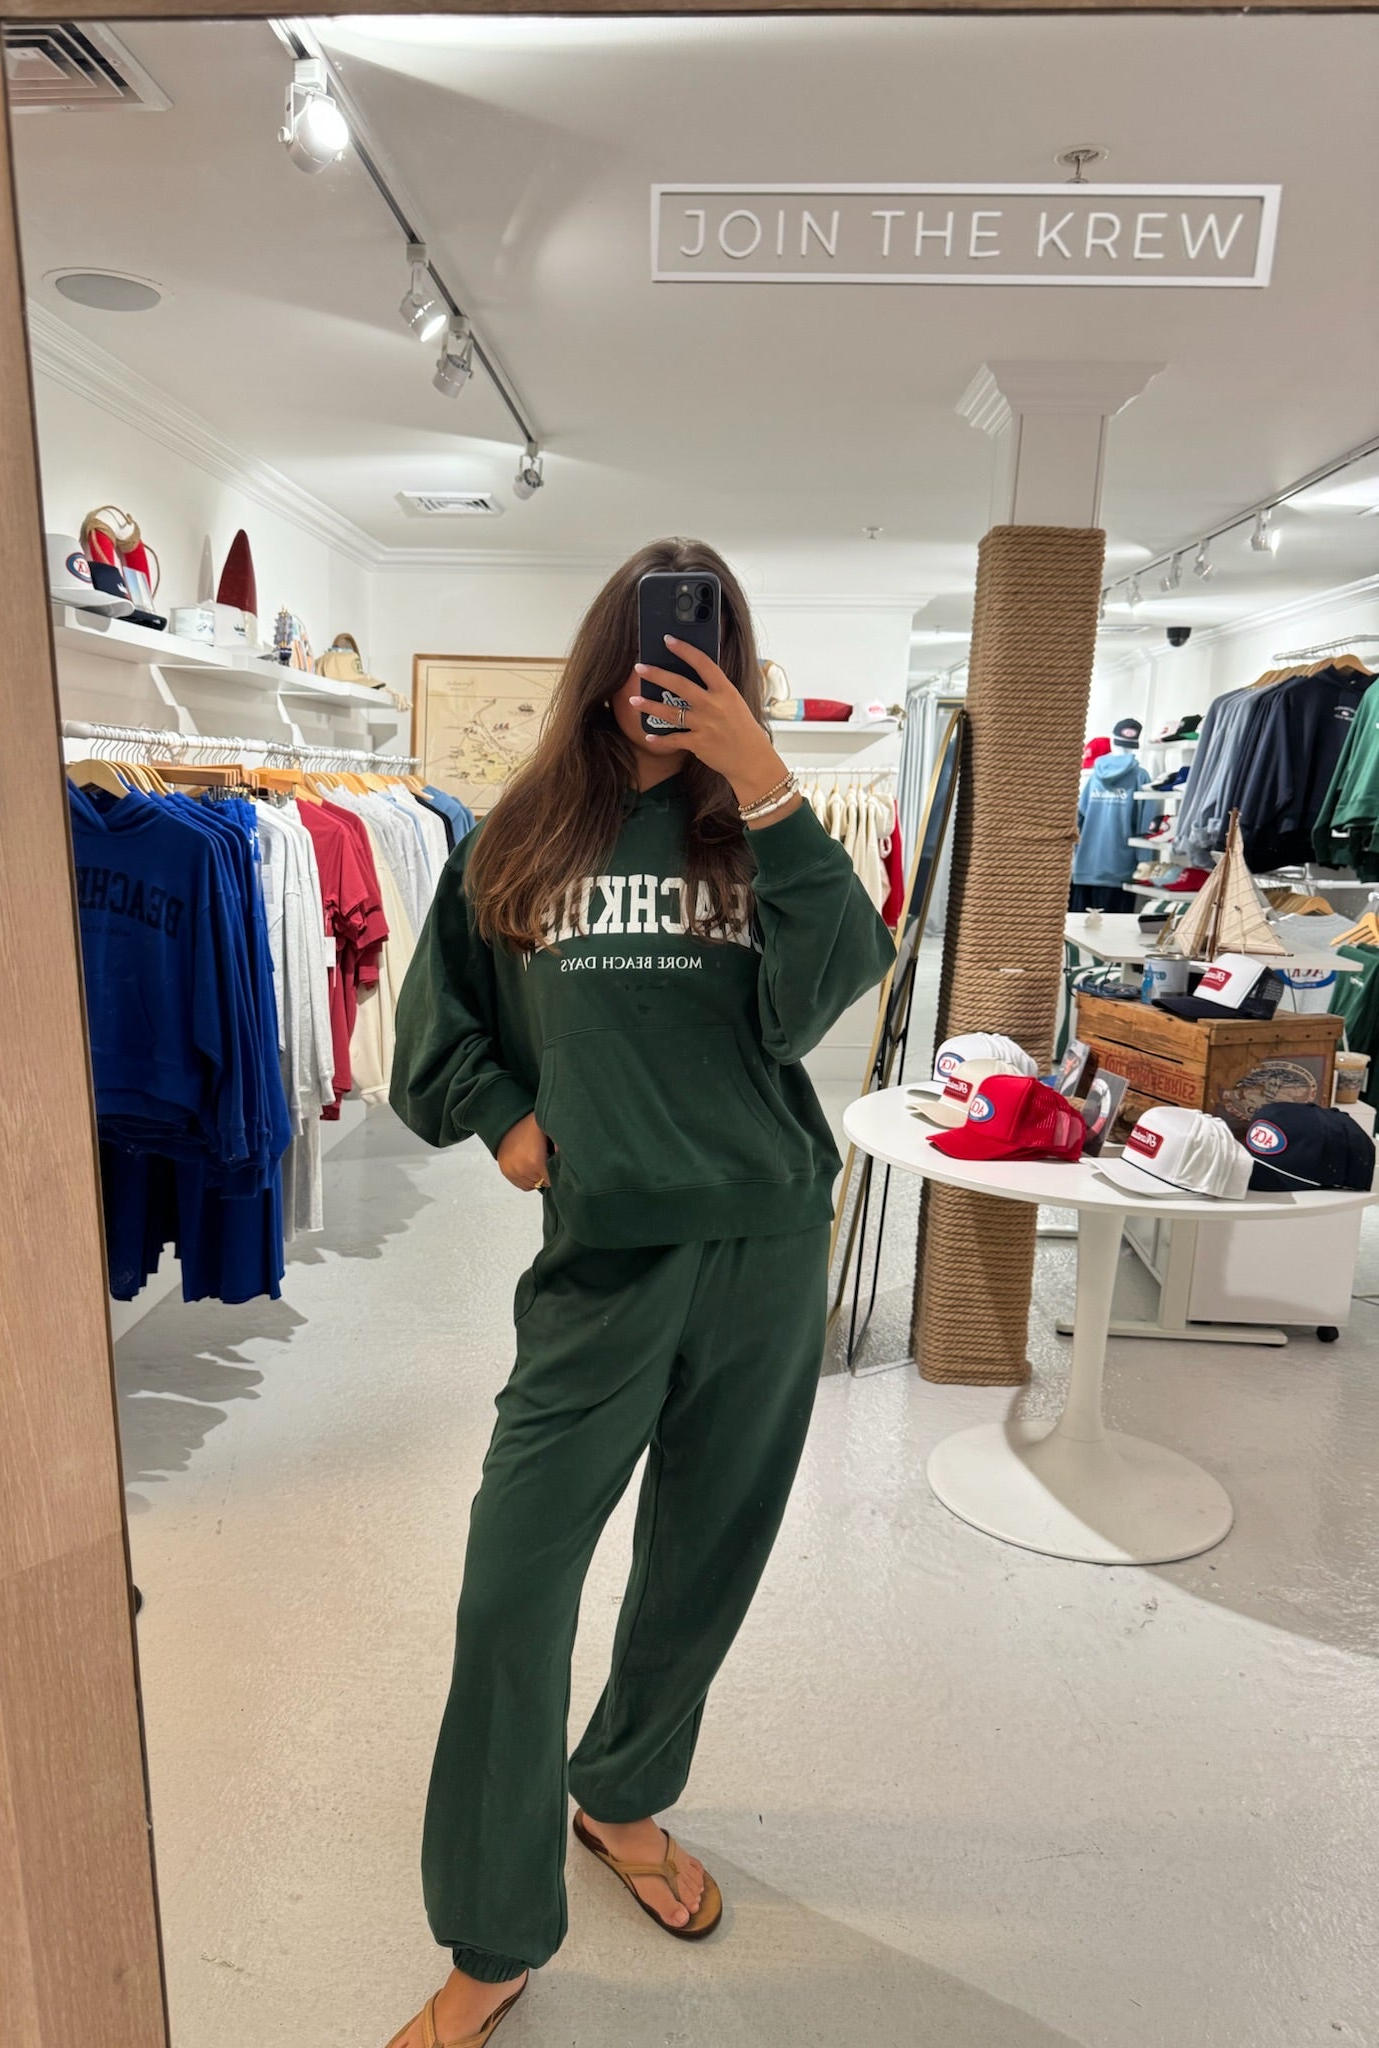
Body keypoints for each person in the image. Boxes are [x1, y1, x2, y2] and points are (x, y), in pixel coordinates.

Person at [384, 538, 895, 2047]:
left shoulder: (765, 826)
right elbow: (437, 1024)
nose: (661, 680)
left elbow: (828, 992)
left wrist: (767, 782)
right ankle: (493, 1935)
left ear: (733, 667)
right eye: (644, 651)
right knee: (511, 1582)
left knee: (702, 1561)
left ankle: (619, 1794)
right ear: (601, 660)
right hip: (602, 1258)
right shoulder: (525, 832)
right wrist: (505, 1120)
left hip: (763, 1242)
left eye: (700, 653)